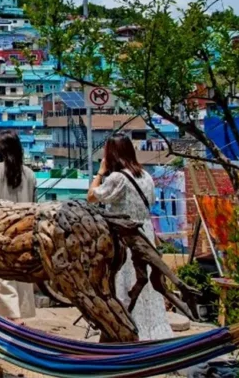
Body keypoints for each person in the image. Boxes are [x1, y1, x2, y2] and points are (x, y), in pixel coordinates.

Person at [88, 133, 173, 341]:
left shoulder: (117, 178)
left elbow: (91, 196)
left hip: (124, 237)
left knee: (123, 283)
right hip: (145, 234)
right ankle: (150, 327)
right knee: (145, 284)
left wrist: (99, 173)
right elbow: (151, 201)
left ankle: (126, 327)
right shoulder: (146, 175)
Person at [0, 130, 37, 323]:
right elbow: (34, 205)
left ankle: (13, 318)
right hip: (27, 231)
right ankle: (19, 316)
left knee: (4, 276)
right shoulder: (30, 174)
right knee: (22, 274)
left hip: (3, 230)